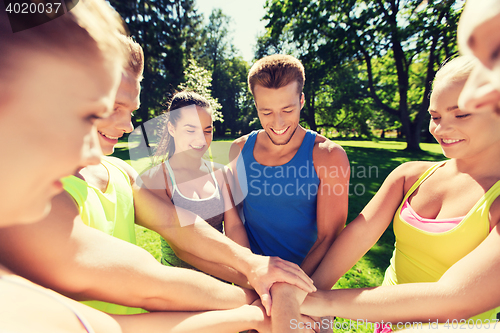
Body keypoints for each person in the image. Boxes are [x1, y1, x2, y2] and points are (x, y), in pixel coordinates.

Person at [0, 30, 315, 320]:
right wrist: (251, 302)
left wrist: (251, 264)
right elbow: (147, 282)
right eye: (114, 107)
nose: (127, 126)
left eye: (132, 111)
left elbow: (180, 226)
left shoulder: (121, 173)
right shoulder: (26, 194)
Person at [299, 0, 500, 323]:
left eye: (460, 114)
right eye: (434, 116)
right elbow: (357, 239)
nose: (441, 129)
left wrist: (320, 303)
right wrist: (303, 297)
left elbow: (455, 299)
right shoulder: (409, 176)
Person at [227, 54, 350, 332]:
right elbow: (234, 221)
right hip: (250, 285)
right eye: (266, 112)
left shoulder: (328, 156)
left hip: (308, 287)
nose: (278, 122)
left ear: (302, 101)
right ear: (256, 105)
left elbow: (330, 237)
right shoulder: (238, 150)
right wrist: (255, 280)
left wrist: (287, 293)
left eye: (288, 109)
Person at [139, 90, 250, 271]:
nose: (201, 139)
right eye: (191, 130)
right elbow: (182, 248)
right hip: (178, 289)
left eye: (208, 131)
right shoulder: (156, 179)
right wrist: (246, 275)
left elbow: (234, 227)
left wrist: (249, 266)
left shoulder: (220, 173)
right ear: (171, 128)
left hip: (223, 285)